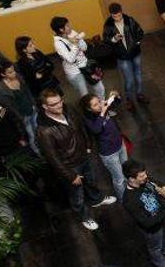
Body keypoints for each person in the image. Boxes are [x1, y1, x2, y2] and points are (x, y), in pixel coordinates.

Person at [36, 89, 116, 230]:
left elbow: (81, 127)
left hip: (83, 156)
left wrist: (88, 144)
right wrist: (70, 175)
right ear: (45, 107)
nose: (59, 105)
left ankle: (96, 199)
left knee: (91, 181)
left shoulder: (69, 109)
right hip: (70, 166)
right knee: (77, 195)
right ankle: (84, 217)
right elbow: (52, 158)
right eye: (54, 104)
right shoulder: (44, 130)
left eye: (60, 101)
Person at [80, 93, 127, 201]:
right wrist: (102, 113)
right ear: (89, 108)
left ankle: (130, 193)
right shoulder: (89, 119)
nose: (99, 105)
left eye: (98, 102)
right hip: (110, 153)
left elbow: (117, 103)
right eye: (95, 105)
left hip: (120, 145)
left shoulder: (102, 109)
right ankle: (124, 199)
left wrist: (116, 96)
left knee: (126, 170)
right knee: (119, 179)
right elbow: (96, 129)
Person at [103, 3, 147, 110]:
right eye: (114, 16)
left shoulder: (129, 20)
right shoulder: (108, 25)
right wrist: (114, 39)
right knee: (129, 79)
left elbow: (140, 32)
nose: (117, 18)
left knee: (138, 75)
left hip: (135, 53)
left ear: (121, 12)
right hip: (122, 56)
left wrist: (137, 42)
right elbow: (106, 39)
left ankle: (139, 94)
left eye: (119, 15)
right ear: (111, 15)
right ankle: (129, 99)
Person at [51, 16, 104, 98]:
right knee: (85, 95)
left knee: (100, 88)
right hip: (75, 72)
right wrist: (74, 45)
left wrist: (78, 40)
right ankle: (90, 109)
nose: (70, 27)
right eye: (67, 26)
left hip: (86, 66)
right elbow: (70, 59)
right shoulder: (58, 43)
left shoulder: (72, 32)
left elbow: (84, 48)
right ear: (61, 29)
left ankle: (102, 107)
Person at [0, 60, 38, 154]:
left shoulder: (18, 77)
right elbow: (10, 108)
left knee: (38, 130)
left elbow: (27, 91)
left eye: (14, 70)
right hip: (23, 117)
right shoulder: (2, 90)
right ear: (3, 74)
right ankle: (39, 154)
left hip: (32, 110)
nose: (14, 73)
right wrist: (21, 118)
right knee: (31, 137)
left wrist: (34, 104)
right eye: (10, 72)